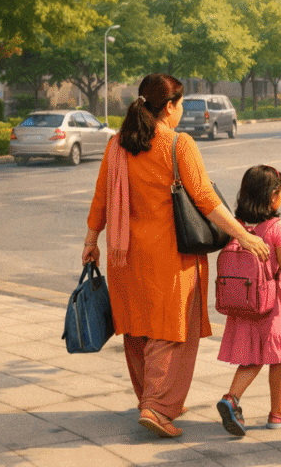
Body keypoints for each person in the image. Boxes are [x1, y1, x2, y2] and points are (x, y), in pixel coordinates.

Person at [83, 74, 270, 439]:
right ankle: (157, 406)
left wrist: (91, 241)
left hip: (123, 255)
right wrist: (243, 234)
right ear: (169, 106)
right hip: (170, 258)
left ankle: (152, 399)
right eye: (180, 104)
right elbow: (206, 199)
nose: (182, 111)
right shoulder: (178, 144)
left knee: (137, 330)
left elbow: (101, 198)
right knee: (171, 332)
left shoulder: (116, 145)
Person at [216, 165, 281, 434]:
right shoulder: (277, 227)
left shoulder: (237, 227)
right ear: (273, 196)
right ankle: (278, 414)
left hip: (243, 304)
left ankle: (231, 399)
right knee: (279, 358)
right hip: (272, 306)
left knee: (252, 358)